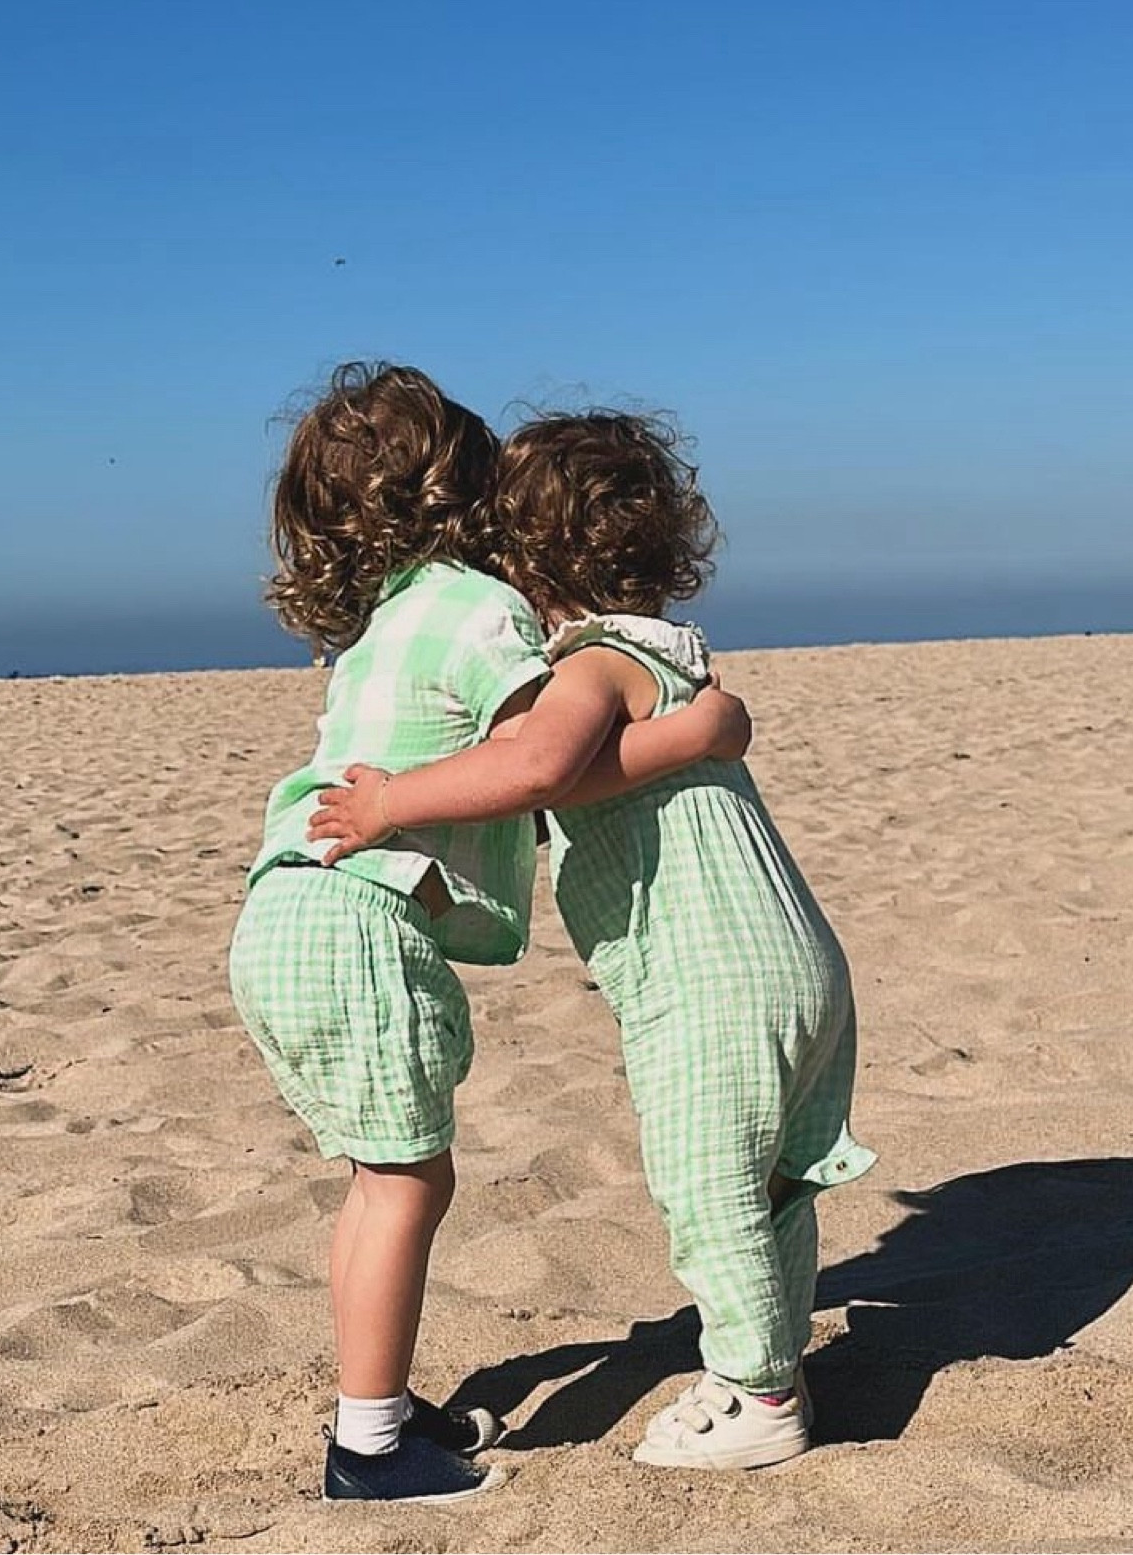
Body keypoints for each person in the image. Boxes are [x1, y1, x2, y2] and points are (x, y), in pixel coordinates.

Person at [309, 409, 874, 1472]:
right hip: (795, 957)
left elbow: (542, 772)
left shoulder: (593, 667)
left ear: (523, 563)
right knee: (769, 1183)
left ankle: (757, 1396)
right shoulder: (671, 660)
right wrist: (700, 728)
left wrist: (391, 804)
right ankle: (773, 1363)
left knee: (708, 1184)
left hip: (707, 976)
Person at [228, 366, 751, 1505]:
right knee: (401, 1183)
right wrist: (694, 733)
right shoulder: (479, 609)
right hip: (356, 915)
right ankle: (368, 1445)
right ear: (466, 495)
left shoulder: (380, 623)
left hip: (286, 909)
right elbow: (537, 765)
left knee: (391, 1175)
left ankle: (382, 1403)